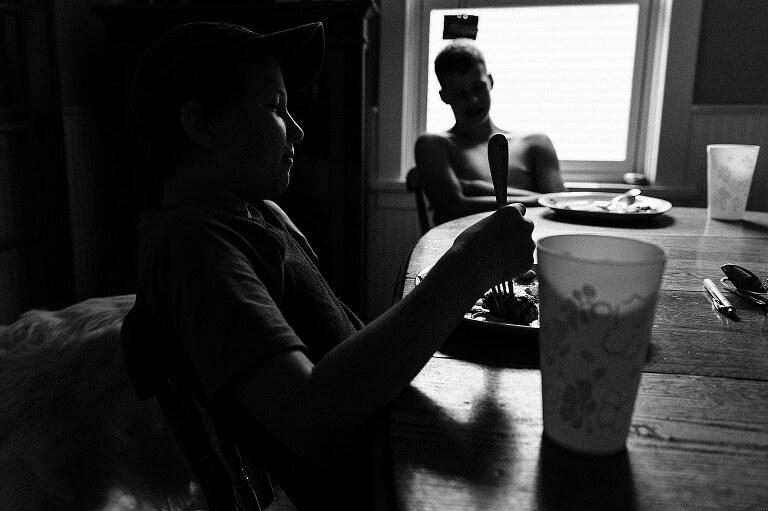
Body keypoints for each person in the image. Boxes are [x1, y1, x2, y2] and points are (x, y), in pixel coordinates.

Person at [125, 21, 535, 509]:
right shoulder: (192, 246)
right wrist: (467, 266)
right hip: (373, 487)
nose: (297, 128)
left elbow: (339, 340)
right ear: (202, 126)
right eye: (275, 107)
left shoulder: (256, 213)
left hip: (390, 438)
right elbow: (311, 421)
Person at [415, 39, 567, 225]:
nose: (473, 99)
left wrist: (477, 188)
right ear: (444, 96)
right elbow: (452, 210)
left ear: (490, 82)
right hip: (467, 250)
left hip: (529, 247)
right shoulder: (434, 144)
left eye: (478, 87)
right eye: (459, 93)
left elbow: (559, 206)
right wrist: (542, 200)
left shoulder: (536, 143)